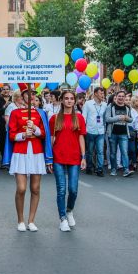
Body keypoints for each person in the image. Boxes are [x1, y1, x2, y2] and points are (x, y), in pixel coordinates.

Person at [4, 83, 53, 232]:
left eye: (33, 94)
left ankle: (31, 220)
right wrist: (23, 135)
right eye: (27, 94)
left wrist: (37, 130)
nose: (30, 96)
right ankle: (20, 220)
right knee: (21, 188)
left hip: (36, 152)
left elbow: (45, 134)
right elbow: (11, 135)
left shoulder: (41, 113)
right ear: (22, 96)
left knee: (35, 188)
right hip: (21, 152)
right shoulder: (15, 113)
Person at [49, 91, 86, 232]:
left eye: (71, 98)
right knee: (61, 190)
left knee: (73, 189)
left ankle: (69, 210)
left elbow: (81, 137)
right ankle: (63, 218)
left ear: (75, 101)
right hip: (58, 156)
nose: (69, 101)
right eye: (66, 98)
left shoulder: (79, 118)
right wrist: (49, 159)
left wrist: (84, 156)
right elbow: (51, 139)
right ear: (62, 100)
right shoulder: (54, 118)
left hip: (75, 157)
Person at [105, 90, 133, 177]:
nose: (121, 98)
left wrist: (126, 118)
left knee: (124, 152)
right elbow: (107, 119)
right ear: (116, 97)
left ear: (125, 98)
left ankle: (126, 170)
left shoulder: (128, 107)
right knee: (113, 153)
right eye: (119, 96)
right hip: (113, 133)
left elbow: (131, 119)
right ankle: (113, 169)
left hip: (124, 133)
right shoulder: (111, 106)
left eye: (122, 96)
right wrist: (119, 117)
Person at [82, 87, 106, 177]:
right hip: (90, 131)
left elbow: (104, 118)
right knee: (90, 151)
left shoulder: (104, 105)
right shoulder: (88, 104)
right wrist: (83, 130)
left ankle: (100, 169)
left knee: (100, 151)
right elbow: (84, 117)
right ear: (95, 93)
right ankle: (89, 167)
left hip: (100, 131)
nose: (102, 95)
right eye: (101, 93)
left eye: (103, 93)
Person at [0, 84, 11, 163]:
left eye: (7, 89)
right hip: (2, 122)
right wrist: (5, 105)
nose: (6, 91)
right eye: (4, 89)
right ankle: (3, 158)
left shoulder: (13, 99)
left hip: (12, 121)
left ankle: (10, 158)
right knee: (3, 139)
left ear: (9, 90)